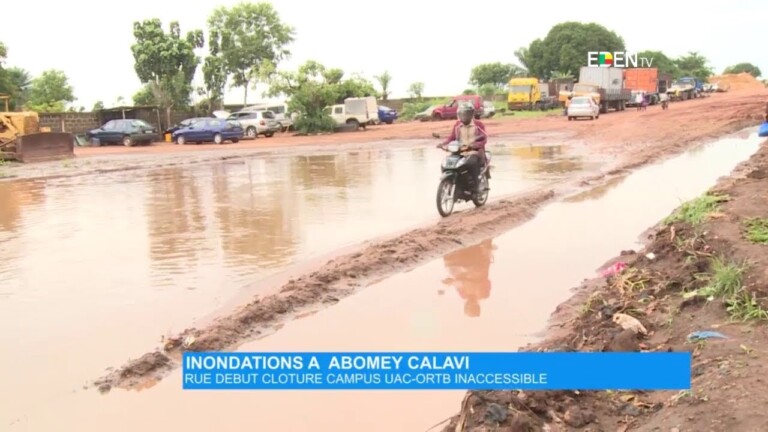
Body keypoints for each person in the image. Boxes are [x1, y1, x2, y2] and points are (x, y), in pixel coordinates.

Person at [437, 103, 489, 193]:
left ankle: (476, 187)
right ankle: (450, 181)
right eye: (462, 114)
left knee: (471, 164)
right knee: (446, 164)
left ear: (471, 114)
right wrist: (443, 144)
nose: (464, 116)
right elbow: (451, 137)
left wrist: (475, 145)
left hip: (474, 151)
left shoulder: (478, 124)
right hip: (459, 151)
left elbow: (484, 138)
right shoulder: (457, 125)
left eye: (466, 114)